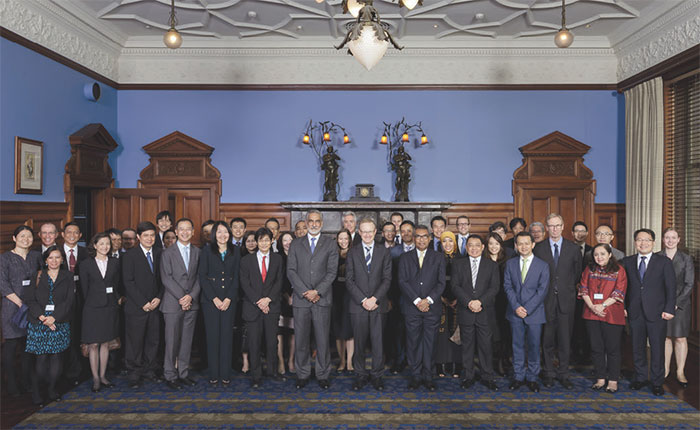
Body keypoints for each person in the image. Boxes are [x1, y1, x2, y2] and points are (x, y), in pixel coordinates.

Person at [287, 209, 338, 389]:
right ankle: (302, 374)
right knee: (301, 339)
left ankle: (323, 374)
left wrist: (317, 291)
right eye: (311, 221)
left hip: (322, 299)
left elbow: (332, 272)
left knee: (323, 339)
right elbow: (291, 271)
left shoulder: (330, 244)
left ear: (321, 224)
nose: (314, 224)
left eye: (317, 221)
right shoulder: (295, 244)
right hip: (301, 300)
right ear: (306, 223)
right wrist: (305, 292)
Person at [622, 229, 676, 396]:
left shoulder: (664, 262)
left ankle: (657, 382)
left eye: (647, 240)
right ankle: (640, 378)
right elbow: (623, 287)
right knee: (637, 347)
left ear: (653, 242)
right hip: (635, 312)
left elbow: (671, 288)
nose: (643, 243)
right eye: (639, 240)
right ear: (635, 242)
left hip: (658, 313)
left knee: (657, 348)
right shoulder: (627, 262)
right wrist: (623, 306)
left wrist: (669, 309)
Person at [534, 213, 582, 389]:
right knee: (547, 340)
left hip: (566, 301)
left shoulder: (573, 249)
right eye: (551, 226)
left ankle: (563, 373)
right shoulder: (538, 248)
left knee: (564, 340)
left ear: (563, 227)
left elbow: (576, 274)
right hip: (545, 301)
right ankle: (548, 373)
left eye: (557, 225)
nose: (554, 229)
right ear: (546, 228)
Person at [345, 218, 392, 391]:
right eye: (363, 231)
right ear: (359, 232)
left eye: (369, 231)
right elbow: (349, 281)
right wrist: (364, 300)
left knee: (378, 343)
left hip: (378, 305)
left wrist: (374, 299)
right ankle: (360, 375)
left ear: (375, 232)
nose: (366, 234)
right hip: (358, 306)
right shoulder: (353, 252)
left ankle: (377, 376)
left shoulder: (384, 252)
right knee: (359, 343)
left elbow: (387, 279)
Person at [398, 224, 446, 391]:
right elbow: (402, 282)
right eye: (418, 236)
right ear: (413, 238)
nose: (421, 239)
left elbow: (441, 283)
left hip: (432, 308)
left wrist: (428, 300)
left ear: (430, 237)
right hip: (412, 308)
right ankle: (416, 376)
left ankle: (428, 376)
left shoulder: (438, 257)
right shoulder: (404, 257)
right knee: (413, 343)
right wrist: (418, 300)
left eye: (424, 236)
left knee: (430, 343)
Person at [26, 246, 75, 406]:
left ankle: (52, 389)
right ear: (45, 260)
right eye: (51, 258)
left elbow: (69, 301)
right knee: (41, 359)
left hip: (60, 322)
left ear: (62, 260)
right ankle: (37, 391)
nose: (54, 261)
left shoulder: (68, 276)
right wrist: (44, 318)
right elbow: (30, 300)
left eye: (57, 257)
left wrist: (54, 318)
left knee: (56, 358)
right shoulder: (36, 276)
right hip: (39, 323)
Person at [452, 234, 500, 391]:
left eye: (477, 245)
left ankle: (487, 376)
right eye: (470, 245)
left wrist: (480, 302)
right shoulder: (458, 264)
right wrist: (469, 302)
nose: (473, 248)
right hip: (466, 311)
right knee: (467, 346)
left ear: (482, 247)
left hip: (484, 311)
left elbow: (494, 288)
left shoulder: (491, 265)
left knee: (486, 346)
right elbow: (455, 286)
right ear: (466, 247)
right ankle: (468, 376)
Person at [504, 232, 549, 393]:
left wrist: (528, 309)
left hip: (535, 313)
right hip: (514, 312)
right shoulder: (510, 264)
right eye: (520, 244)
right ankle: (518, 376)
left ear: (533, 245)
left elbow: (542, 291)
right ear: (515, 245)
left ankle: (532, 378)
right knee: (517, 346)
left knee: (534, 346)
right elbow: (507, 287)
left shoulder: (542, 265)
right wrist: (516, 307)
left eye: (526, 243)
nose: (523, 246)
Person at [579, 243, 627, 394]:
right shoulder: (589, 269)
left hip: (611, 314)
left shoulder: (619, 270)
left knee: (612, 349)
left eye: (602, 254)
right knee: (596, 348)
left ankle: (612, 380)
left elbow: (619, 291)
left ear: (610, 255)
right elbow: (583, 288)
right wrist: (593, 306)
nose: (599, 257)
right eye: (596, 255)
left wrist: (602, 306)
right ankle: (600, 378)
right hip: (591, 313)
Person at [240, 227, 284, 388]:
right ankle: (256, 375)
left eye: (267, 240)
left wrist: (268, 300)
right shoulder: (246, 260)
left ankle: (272, 371)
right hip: (253, 308)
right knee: (254, 343)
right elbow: (245, 284)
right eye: (261, 240)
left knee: (272, 342)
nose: (264, 243)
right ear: (256, 242)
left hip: (271, 307)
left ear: (272, 241)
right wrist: (259, 301)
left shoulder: (278, 259)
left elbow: (279, 281)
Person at [1, 225, 42, 397]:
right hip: (12, 308)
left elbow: (42, 277)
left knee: (28, 348)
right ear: (14, 238)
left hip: (32, 308)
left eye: (29, 236)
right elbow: (2, 284)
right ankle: (11, 385)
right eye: (22, 236)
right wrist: (20, 303)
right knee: (11, 347)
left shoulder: (36, 256)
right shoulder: (5, 258)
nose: (26, 239)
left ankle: (27, 382)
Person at [160, 218, 201, 390]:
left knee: (186, 341)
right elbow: (166, 278)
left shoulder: (198, 252)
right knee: (172, 341)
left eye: (188, 229)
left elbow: (200, 277)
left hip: (191, 303)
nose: (185, 232)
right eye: (181, 229)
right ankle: (170, 374)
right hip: (172, 304)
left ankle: (183, 373)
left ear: (193, 232)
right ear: (176, 232)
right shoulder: (167, 253)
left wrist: (190, 297)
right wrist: (182, 297)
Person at [122, 221, 163, 389]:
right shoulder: (129, 256)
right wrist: (143, 303)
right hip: (136, 307)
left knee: (153, 341)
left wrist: (159, 298)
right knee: (135, 342)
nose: (149, 238)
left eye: (152, 235)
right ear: (138, 237)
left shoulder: (161, 253)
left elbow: (164, 279)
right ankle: (134, 374)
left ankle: (149, 370)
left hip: (156, 305)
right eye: (145, 235)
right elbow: (128, 282)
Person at [198, 221, 239, 386]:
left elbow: (237, 277)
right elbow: (202, 276)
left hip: (229, 300)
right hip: (210, 301)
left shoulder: (235, 251)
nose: (223, 235)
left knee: (227, 337)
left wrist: (228, 298)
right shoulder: (207, 251)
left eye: (226, 232)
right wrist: (214, 299)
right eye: (219, 232)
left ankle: (225, 374)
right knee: (213, 337)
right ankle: (214, 374)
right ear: (214, 234)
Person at [80, 232, 121, 392]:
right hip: (92, 308)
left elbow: (117, 284)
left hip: (110, 307)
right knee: (93, 344)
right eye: (102, 243)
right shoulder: (86, 264)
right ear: (95, 245)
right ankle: (95, 378)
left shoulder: (115, 262)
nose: (105, 246)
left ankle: (103, 376)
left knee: (105, 343)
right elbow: (84, 288)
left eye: (107, 244)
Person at [660, 228, 695, 388]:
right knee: (666, 337)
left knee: (680, 338)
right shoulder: (657, 257)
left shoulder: (686, 259)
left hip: (680, 305)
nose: (670, 240)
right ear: (662, 239)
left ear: (679, 239)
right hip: (661, 303)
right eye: (667, 237)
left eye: (673, 238)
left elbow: (689, 284)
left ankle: (680, 371)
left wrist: (675, 302)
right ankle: (665, 370)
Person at [61, 222, 88, 386]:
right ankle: (66, 372)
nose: (72, 235)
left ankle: (79, 371)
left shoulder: (86, 253)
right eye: (69, 232)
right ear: (63, 234)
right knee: (66, 335)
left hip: (82, 299)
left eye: (76, 232)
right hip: (62, 301)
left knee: (79, 333)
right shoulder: (55, 252)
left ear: (80, 236)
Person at [387, 220, 415, 374]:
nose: (406, 234)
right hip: (398, 298)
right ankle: (400, 360)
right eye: (403, 231)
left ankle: (414, 360)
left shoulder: (421, 249)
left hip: (417, 299)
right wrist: (390, 298)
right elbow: (389, 278)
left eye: (409, 231)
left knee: (415, 331)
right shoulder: (393, 252)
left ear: (414, 232)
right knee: (398, 331)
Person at [434, 231, 461, 379]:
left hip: (458, 301)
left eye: (451, 241)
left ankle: (456, 364)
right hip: (440, 300)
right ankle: (440, 365)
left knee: (456, 333)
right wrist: (442, 298)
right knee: (441, 334)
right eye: (445, 241)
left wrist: (458, 298)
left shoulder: (461, 258)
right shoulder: (435, 258)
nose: (448, 244)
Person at [485, 232, 510, 376]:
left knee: (503, 333)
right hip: (487, 302)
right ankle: (489, 363)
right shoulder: (483, 260)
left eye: (497, 243)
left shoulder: (507, 260)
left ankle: (502, 361)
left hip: (503, 301)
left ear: (501, 245)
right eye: (491, 244)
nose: (494, 247)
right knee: (489, 333)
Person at [333, 229, 354, 373]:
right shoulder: (332, 254)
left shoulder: (355, 254)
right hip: (335, 295)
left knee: (349, 330)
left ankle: (350, 362)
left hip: (350, 295)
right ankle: (341, 361)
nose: (343, 241)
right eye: (340, 239)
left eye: (345, 238)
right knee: (338, 330)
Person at [276, 231, 296, 375]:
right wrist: (285, 296)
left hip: (297, 298)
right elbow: (276, 281)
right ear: (280, 243)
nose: (288, 242)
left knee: (294, 332)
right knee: (280, 333)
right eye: (285, 240)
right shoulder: (277, 258)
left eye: (290, 240)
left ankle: (291, 361)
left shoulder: (299, 257)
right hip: (280, 299)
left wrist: (295, 295)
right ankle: (281, 361)